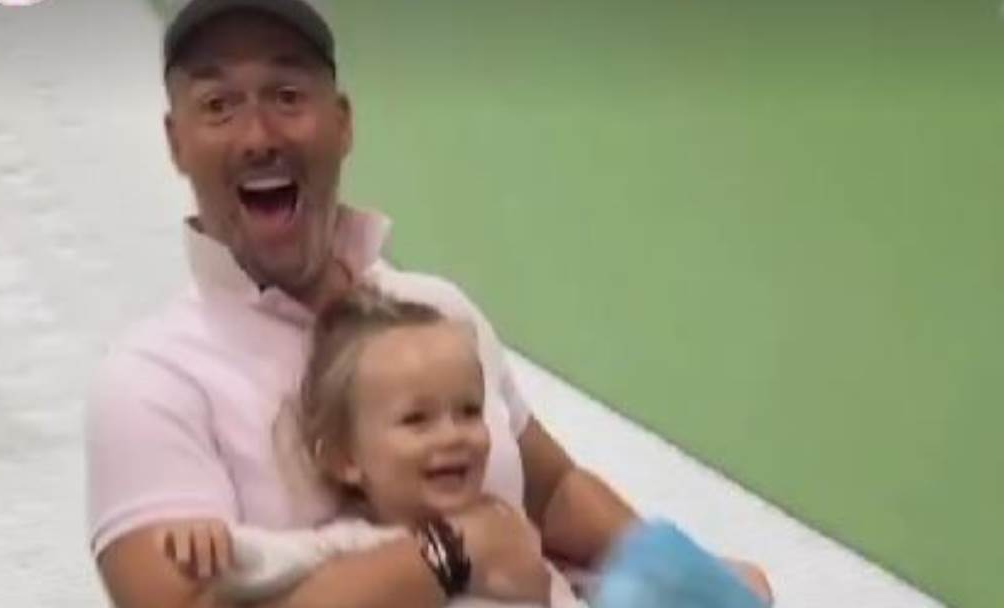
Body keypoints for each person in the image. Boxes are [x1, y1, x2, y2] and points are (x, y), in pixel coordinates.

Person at [85, 1, 772, 607]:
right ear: (176, 142)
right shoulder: (151, 382)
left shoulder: (436, 310)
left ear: (342, 123)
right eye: (218, 105)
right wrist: (454, 550)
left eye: (288, 96)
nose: (258, 135)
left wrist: (687, 582)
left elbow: (554, 491)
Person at [158, 286, 583, 607]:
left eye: (470, 411)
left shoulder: (505, 520)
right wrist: (213, 544)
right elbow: (263, 562)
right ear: (344, 458)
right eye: (417, 420)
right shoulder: (354, 546)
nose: (453, 435)